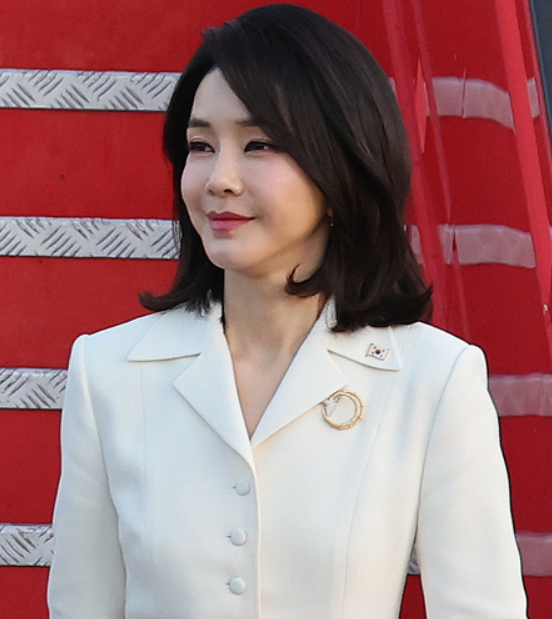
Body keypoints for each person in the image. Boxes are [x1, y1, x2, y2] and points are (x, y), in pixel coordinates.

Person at [47, 5, 528, 618]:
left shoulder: (433, 378)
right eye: (200, 146)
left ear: (341, 168)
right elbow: (82, 605)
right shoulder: (108, 371)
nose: (219, 179)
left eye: (260, 145)